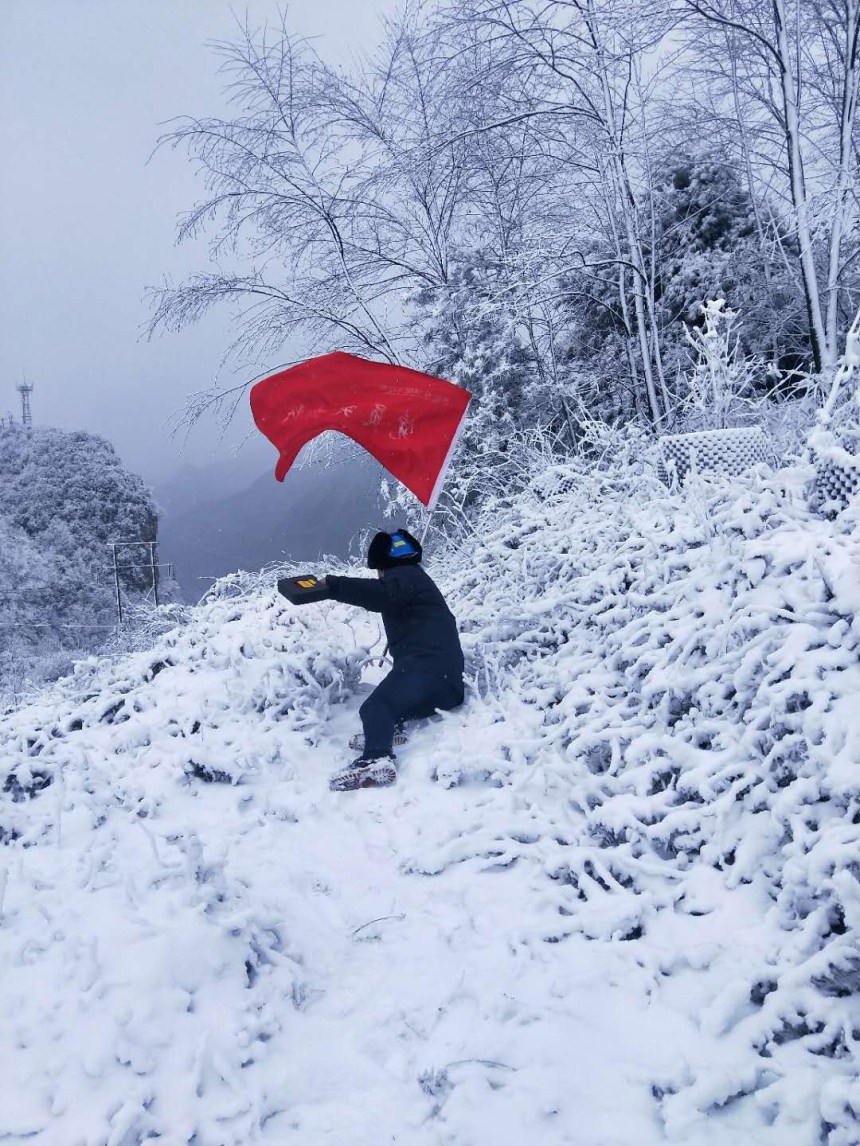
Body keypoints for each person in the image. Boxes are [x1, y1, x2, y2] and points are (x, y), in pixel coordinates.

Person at [321, 528, 464, 791]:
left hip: (428, 669)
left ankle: (376, 758)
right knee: (392, 706)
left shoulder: (403, 576)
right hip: (446, 683)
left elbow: (380, 594)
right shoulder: (417, 578)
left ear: (383, 565)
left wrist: (333, 586)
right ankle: (389, 730)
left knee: (375, 708)